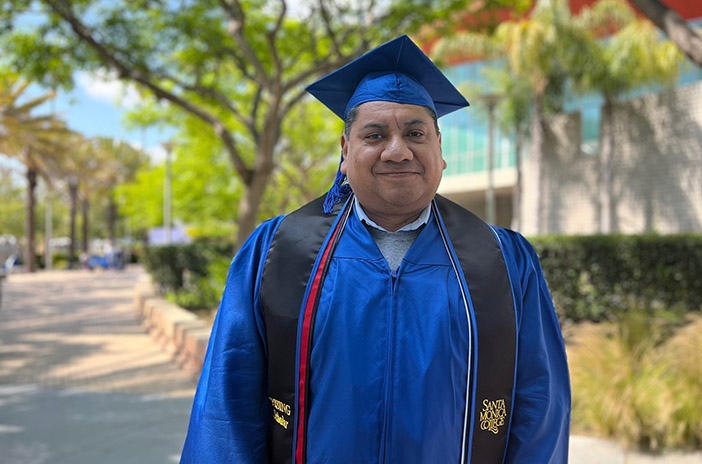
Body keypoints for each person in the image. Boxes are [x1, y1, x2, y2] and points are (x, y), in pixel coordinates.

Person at [181, 35, 570, 464]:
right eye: (375, 134)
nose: (397, 150)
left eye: (416, 132)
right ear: (345, 153)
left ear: (441, 152)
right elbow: (226, 408)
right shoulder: (277, 253)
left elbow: (540, 412)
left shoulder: (505, 261)